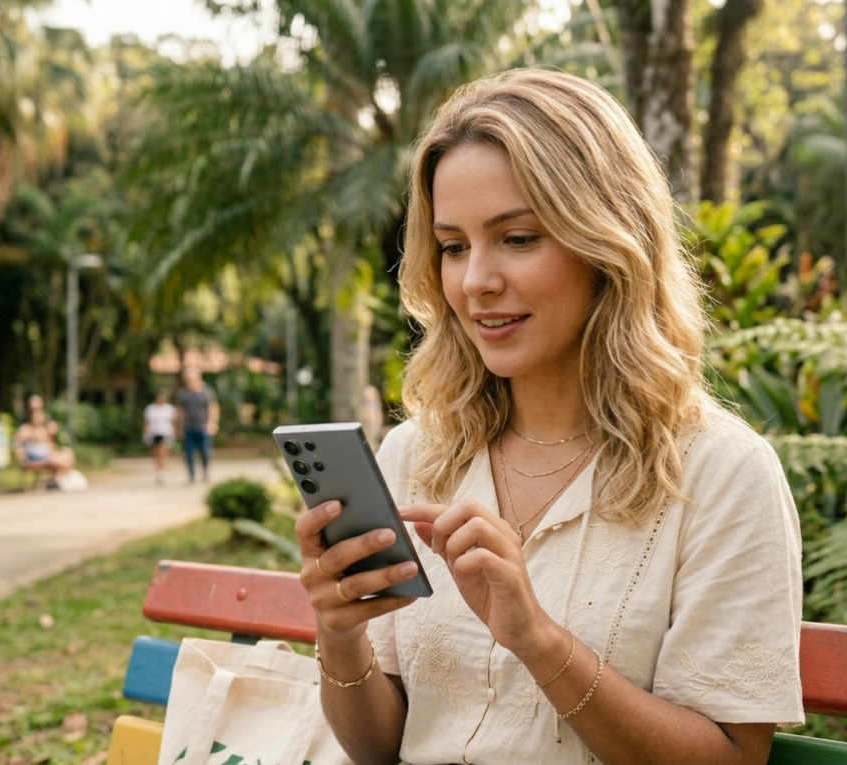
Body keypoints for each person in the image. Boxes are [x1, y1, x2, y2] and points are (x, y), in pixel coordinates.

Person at [294, 70, 803, 765]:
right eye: (453, 246)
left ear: (608, 243)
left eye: (519, 237)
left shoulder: (721, 474)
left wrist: (538, 639)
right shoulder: (417, 455)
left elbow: (732, 758)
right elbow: (379, 746)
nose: (475, 280)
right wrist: (340, 633)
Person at [12, 406, 74, 489]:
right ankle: (52, 481)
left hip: (46, 455)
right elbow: (16, 443)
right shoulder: (26, 429)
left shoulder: (43, 430)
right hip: (33, 457)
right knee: (62, 461)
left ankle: (53, 480)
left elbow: (50, 446)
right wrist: (20, 456)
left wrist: (52, 435)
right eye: (36, 417)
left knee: (67, 453)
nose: (39, 419)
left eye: (40, 417)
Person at [175, 367, 218, 483]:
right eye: (188, 379)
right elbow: (180, 412)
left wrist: (212, 423)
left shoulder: (206, 391)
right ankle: (191, 475)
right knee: (188, 453)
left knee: (205, 452)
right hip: (188, 427)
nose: (190, 381)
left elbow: (212, 408)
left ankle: (205, 471)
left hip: (203, 427)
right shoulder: (183, 394)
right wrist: (179, 428)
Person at [143, 390, 177, 484]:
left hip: (165, 432)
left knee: (162, 450)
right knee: (155, 452)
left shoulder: (170, 409)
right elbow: (147, 422)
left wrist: (174, 432)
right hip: (154, 432)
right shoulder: (150, 409)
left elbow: (173, 422)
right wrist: (146, 433)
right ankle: (159, 468)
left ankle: (162, 469)